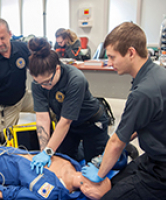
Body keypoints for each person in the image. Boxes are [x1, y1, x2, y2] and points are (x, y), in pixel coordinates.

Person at [81, 22, 166, 200]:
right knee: (114, 183)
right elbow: (141, 124)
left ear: (131, 52)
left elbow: (116, 142)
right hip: (159, 160)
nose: (109, 62)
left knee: (106, 195)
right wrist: (107, 156)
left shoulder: (145, 91)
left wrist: (100, 173)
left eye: (112, 57)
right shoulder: (157, 73)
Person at [27, 37, 110, 174]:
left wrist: (48, 151)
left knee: (94, 165)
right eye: (39, 82)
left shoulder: (75, 80)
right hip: (71, 126)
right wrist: (44, 151)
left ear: (57, 69)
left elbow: (65, 121)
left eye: (47, 82)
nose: (44, 87)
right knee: (64, 159)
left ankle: (120, 152)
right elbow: (42, 118)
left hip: (92, 123)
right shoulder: (39, 83)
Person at [0, 147, 111, 200]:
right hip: (2, 150)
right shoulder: (73, 163)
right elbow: (48, 149)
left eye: (97, 177)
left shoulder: (53, 191)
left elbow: (15, 193)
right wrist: (47, 151)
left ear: (87, 188)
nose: (95, 169)